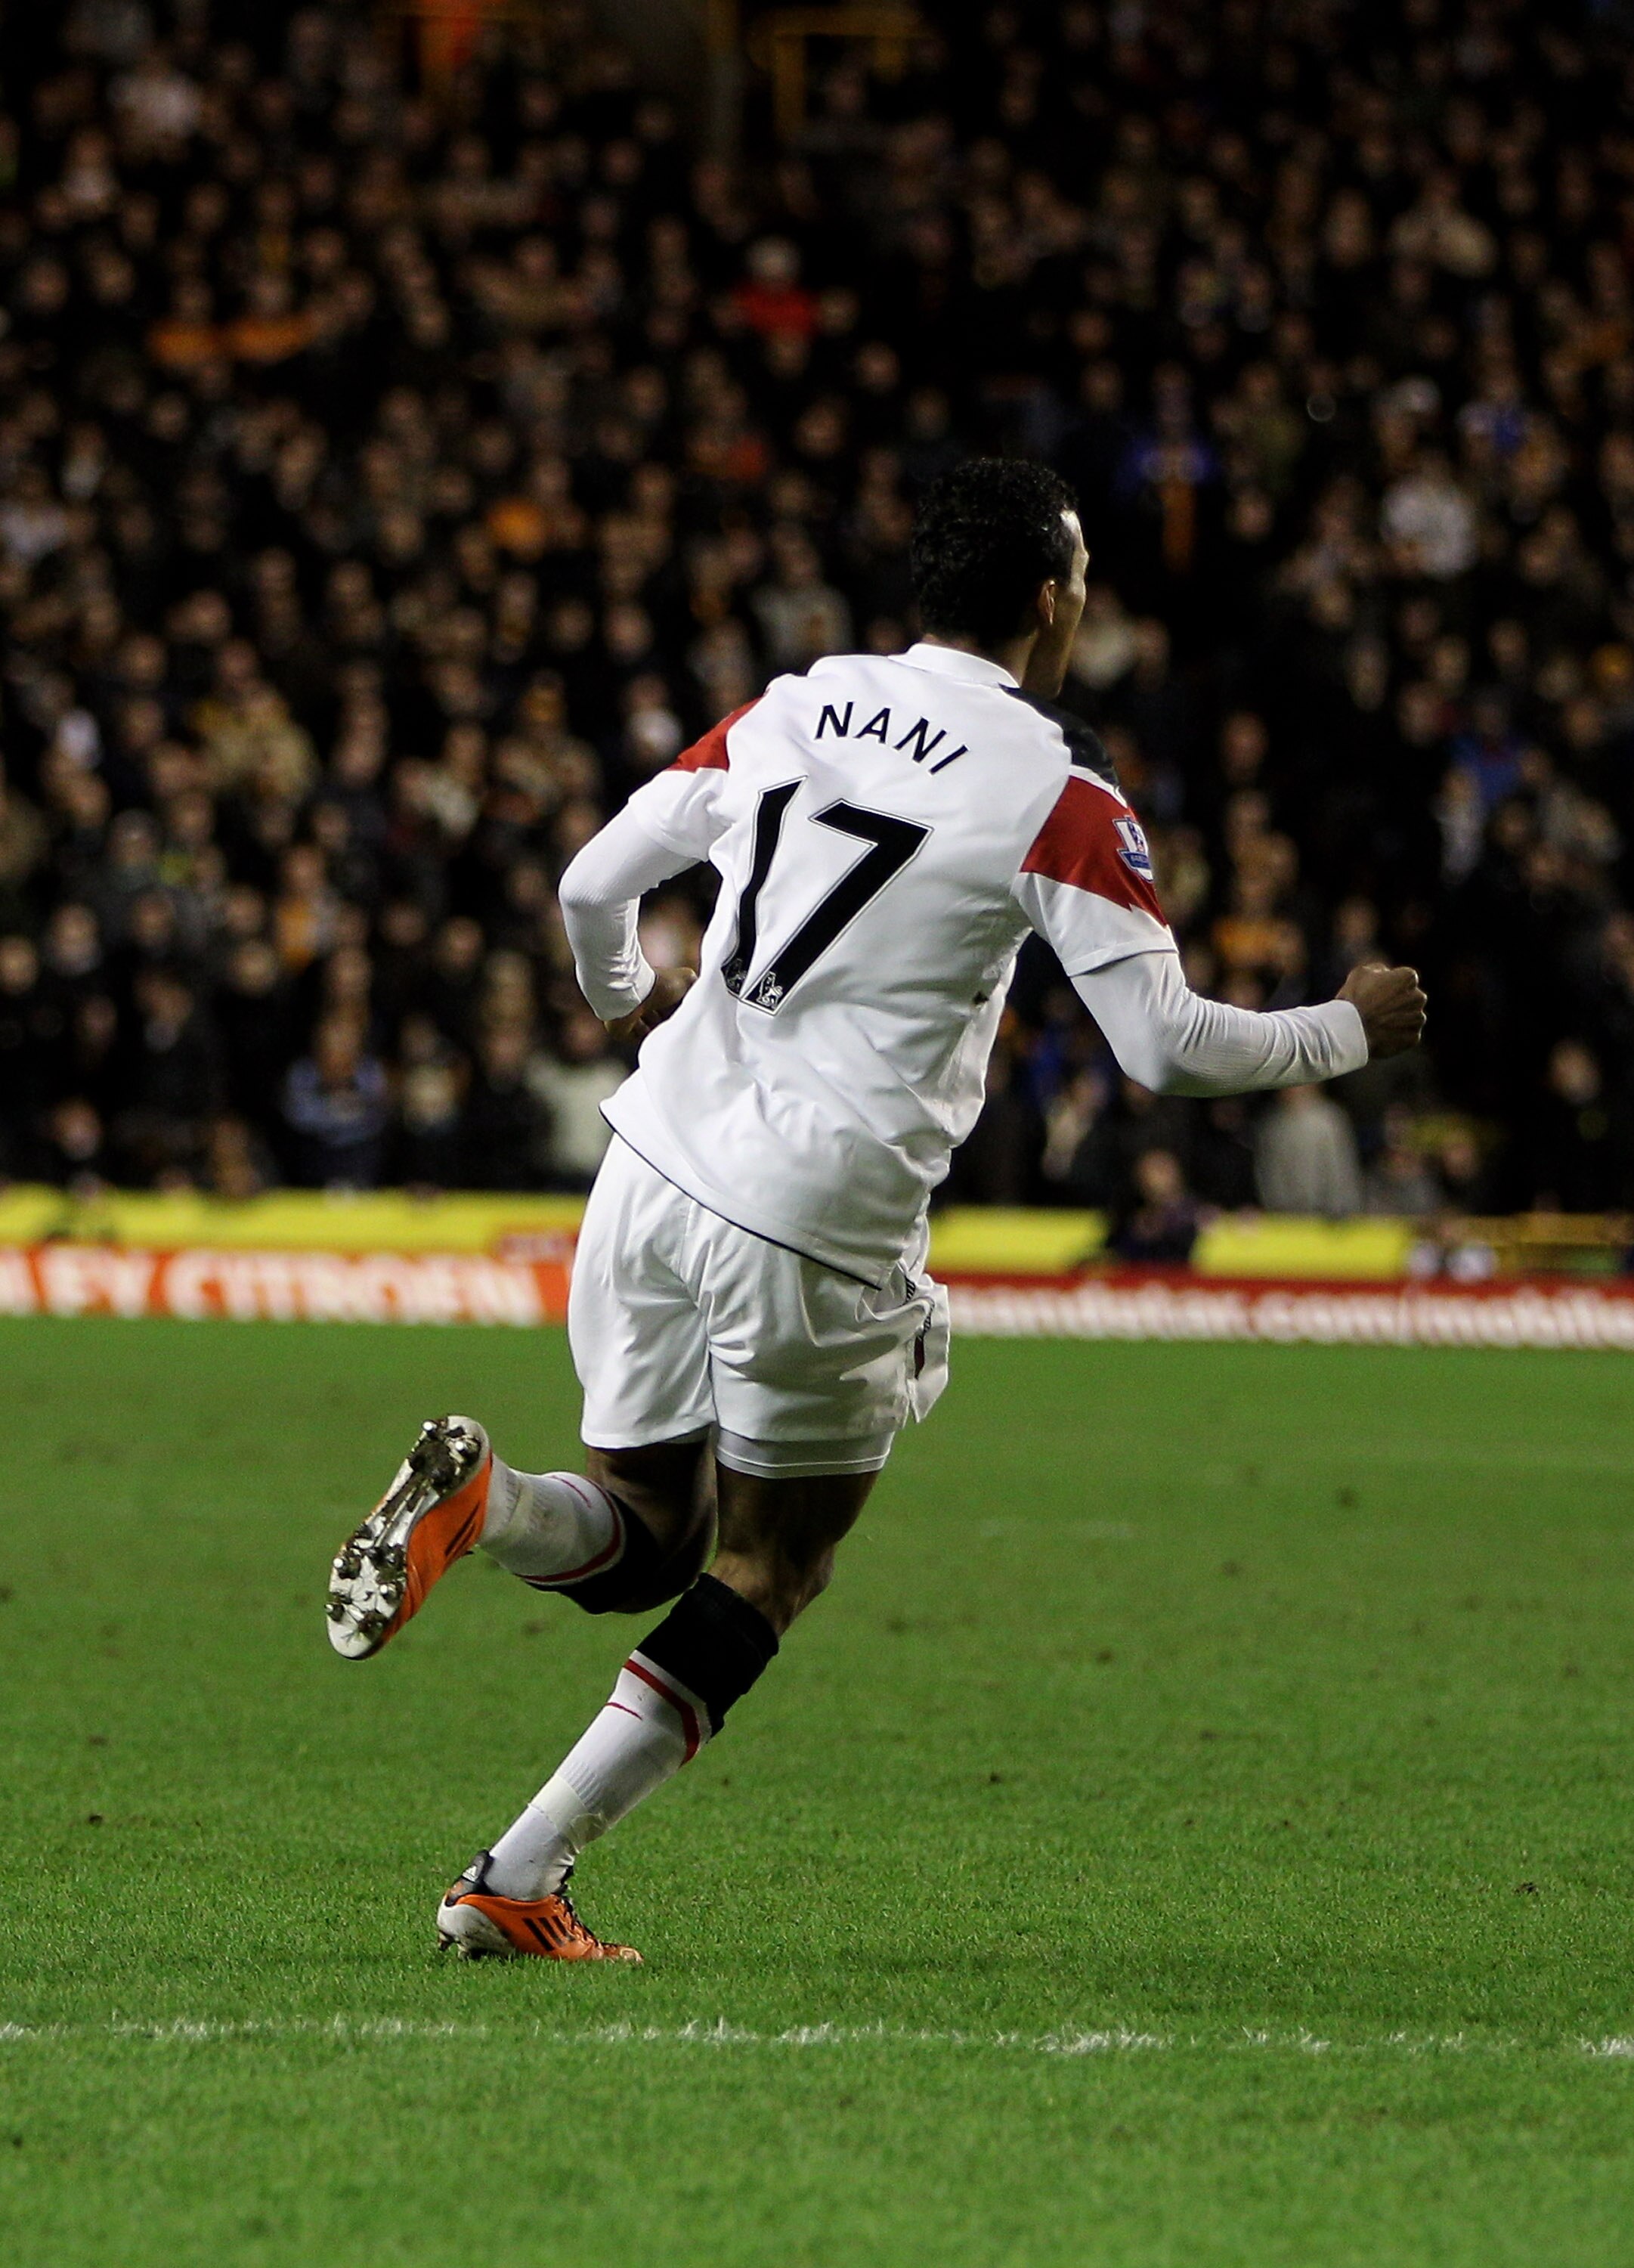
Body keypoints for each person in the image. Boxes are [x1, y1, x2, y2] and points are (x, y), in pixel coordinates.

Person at [323, 460, 1427, 1962]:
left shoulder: (797, 702)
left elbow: (594, 881)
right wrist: (1346, 1031)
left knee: (648, 1539)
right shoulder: (1059, 787)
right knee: (768, 1566)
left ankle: (486, 1507)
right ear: (1052, 601)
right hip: (814, 1214)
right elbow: (1166, 1049)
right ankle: (513, 1877)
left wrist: (625, 996)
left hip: (650, 1159)